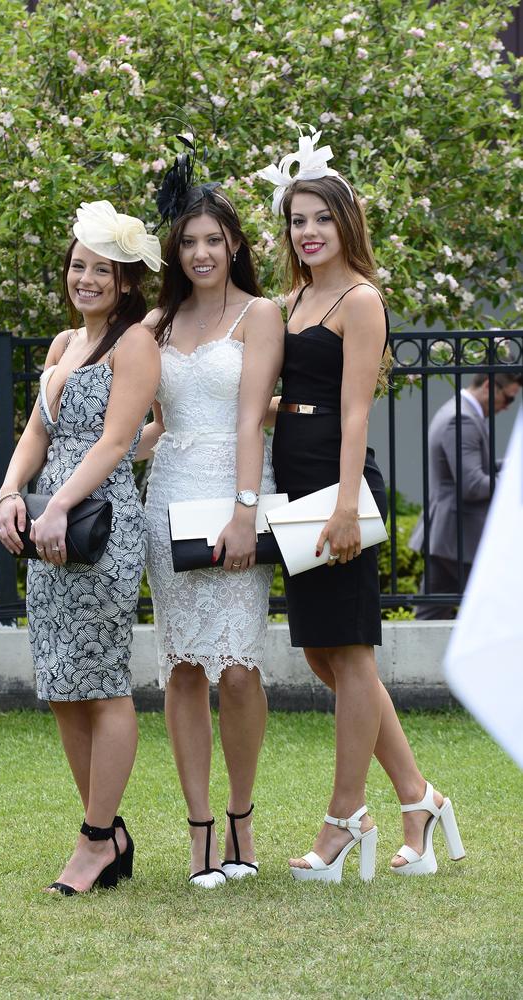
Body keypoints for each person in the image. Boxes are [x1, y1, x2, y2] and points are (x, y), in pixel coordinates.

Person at [259, 126, 465, 880]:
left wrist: (347, 503)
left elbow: (354, 412)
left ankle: (345, 818)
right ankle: (420, 796)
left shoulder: (359, 298)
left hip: (338, 487)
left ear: (346, 223)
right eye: (296, 220)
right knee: (325, 654)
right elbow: (302, 396)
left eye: (319, 218)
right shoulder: (293, 300)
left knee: (350, 655)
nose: (307, 232)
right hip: (295, 482)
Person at [0, 201, 161, 894]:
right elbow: (37, 431)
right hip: (47, 526)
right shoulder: (63, 345)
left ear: (125, 280)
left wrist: (59, 506)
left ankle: (94, 842)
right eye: (77, 265)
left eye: (101, 268)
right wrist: (10, 493)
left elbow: (119, 441)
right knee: (63, 682)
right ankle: (108, 829)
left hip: (101, 524)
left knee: (102, 679)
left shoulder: (135, 344)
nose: (85, 278)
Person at [138, 145, 283, 887]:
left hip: (235, 493)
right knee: (184, 666)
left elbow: (252, 420)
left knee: (239, 667)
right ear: (177, 249)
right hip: (169, 495)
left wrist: (244, 514)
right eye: (189, 241)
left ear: (234, 245)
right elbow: (160, 422)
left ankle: (241, 818)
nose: (201, 252)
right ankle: (197, 832)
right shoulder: (157, 322)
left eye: (213, 240)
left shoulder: (261, 315)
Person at [410, 372, 521, 619]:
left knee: (431, 614)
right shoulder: (462, 419)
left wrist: (510, 465)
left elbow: (472, 470)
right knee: (500, 611)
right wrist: (514, 480)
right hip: (460, 538)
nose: (506, 407)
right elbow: (472, 485)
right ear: (490, 386)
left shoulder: (458, 411)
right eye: (509, 399)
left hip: (449, 536)